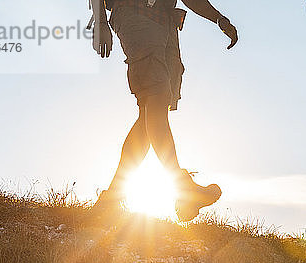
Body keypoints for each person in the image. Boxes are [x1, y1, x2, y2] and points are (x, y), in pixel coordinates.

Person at [89, 0, 238, 221]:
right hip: (134, 13)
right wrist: (100, 22)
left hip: (164, 23)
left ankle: (110, 201)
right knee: (156, 99)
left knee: (149, 116)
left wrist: (218, 18)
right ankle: (183, 188)